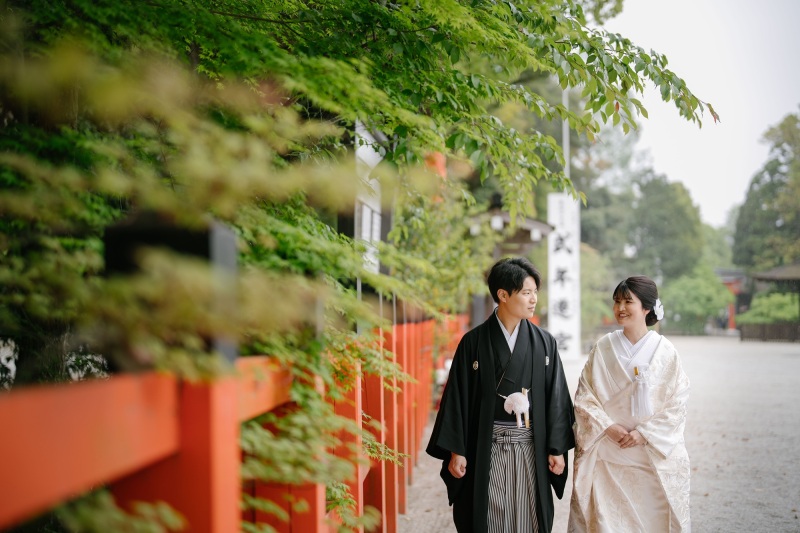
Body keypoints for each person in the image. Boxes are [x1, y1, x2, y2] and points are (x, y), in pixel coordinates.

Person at [426, 257, 575, 533]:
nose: (534, 300)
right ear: (503, 295)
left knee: (529, 516)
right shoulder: (473, 342)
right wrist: (457, 450)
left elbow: (557, 398)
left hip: (531, 447)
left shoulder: (544, 343)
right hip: (485, 446)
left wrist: (557, 448)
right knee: (487, 516)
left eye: (535, 293)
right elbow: (457, 397)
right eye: (527, 293)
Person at [568, 276, 691, 532]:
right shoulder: (603, 348)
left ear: (647, 307)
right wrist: (606, 426)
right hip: (608, 452)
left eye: (627, 302)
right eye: (616, 302)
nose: (620, 308)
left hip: (648, 455)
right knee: (607, 521)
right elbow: (584, 397)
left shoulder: (666, 352)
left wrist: (644, 433)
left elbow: (677, 402)